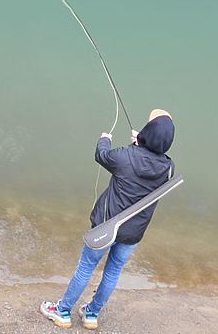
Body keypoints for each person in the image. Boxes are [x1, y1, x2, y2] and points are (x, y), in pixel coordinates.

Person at [40, 109, 176, 330]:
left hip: (106, 225)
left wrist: (105, 138)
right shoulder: (169, 168)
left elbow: (102, 155)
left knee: (86, 267)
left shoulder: (125, 157)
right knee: (113, 271)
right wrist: (139, 144)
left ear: (146, 133)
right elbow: (147, 162)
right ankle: (91, 314)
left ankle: (62, 311)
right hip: (133, 233)